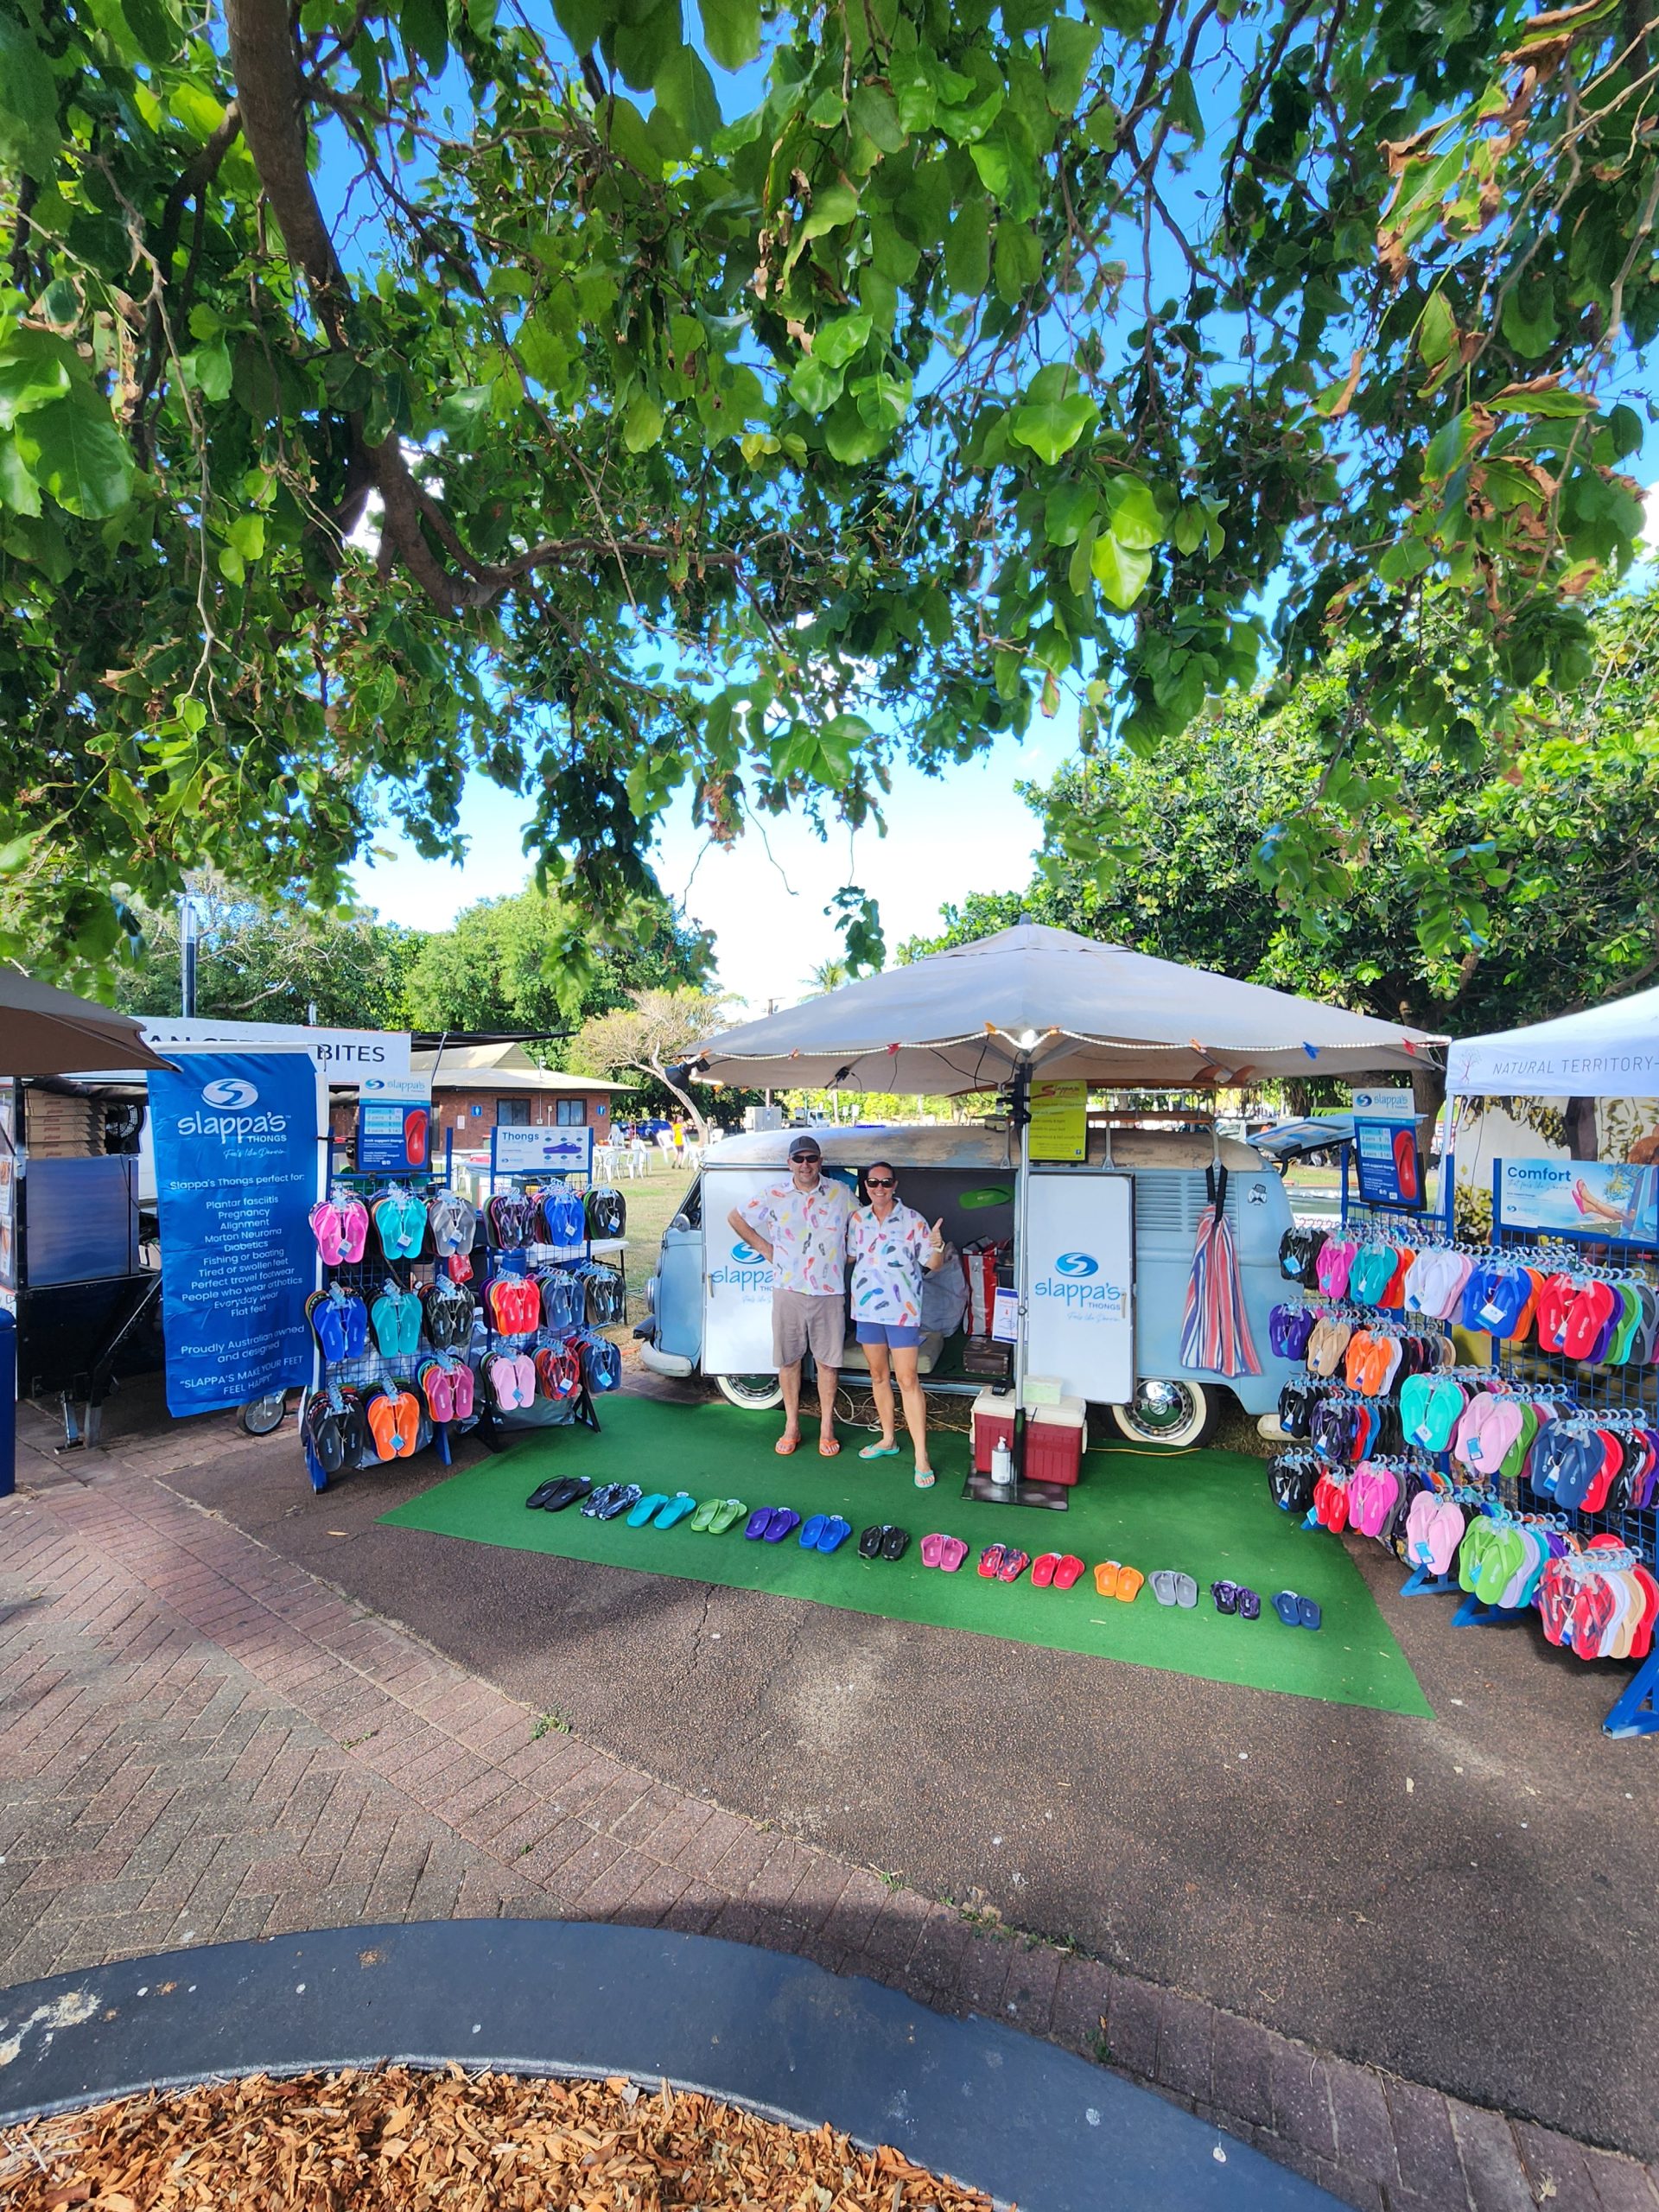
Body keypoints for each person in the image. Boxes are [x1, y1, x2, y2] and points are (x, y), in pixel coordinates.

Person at [728, 1134, 853, 1457]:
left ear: (820, 1161)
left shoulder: (841, 1193)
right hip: (788, 1288)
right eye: (799, 1159)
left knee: (828, 1363)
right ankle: (792, 1425)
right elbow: (735, 1218)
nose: (805, 1165)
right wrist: (766, 1250)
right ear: (789, 1164)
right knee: (788, 1360)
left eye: (811, 1158)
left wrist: (848, 1255)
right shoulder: (774, 1194)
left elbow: (864, 1227)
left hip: (829, 1290)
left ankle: (827, 1427)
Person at [848, 1161, 945, 1487]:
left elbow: (933, 1265)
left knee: (907, 1379)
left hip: (902, 1312)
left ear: (895, 1185)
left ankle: (921, 1456)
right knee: (877, 1375)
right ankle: (888, 1439)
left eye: (885, 1182)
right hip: (866, 1309)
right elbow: (851, 1257)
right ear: (865, 1185)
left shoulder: (914, 1220)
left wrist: (937, 1247)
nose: (879, 1188)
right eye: (872, 1182)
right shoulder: (858, 1219)